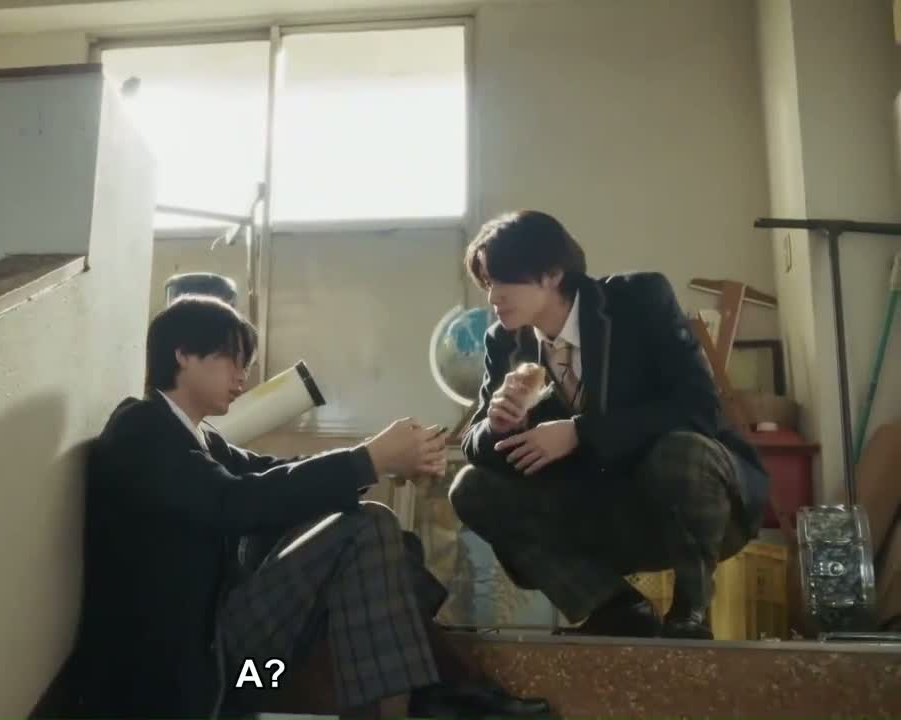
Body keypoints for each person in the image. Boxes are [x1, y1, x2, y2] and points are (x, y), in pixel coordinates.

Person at [64, 295, 550, 719]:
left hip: (250, 665)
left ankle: (436, 690)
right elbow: (235, 502)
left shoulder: (200, 437)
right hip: (203, 666)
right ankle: (442, 691)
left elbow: (274, 474)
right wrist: (369, 459)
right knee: (368, 529)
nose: (242, 376)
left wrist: (378, 462)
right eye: (233, 359)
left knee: (382, 543)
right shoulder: (142, 430)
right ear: (184, 354)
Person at [448, 210, 770, 640]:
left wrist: (580, 432)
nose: (493, 297)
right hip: (593, 511)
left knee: (682, 452)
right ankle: (615, 607)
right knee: (470, 486)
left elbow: (697, 406)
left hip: (681, 500)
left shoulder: (638, 299)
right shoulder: (504, 341)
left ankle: (690, 611)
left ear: (552, 273)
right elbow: (474, 444)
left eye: (505, 280)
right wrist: (498, 423)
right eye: (488, 283)